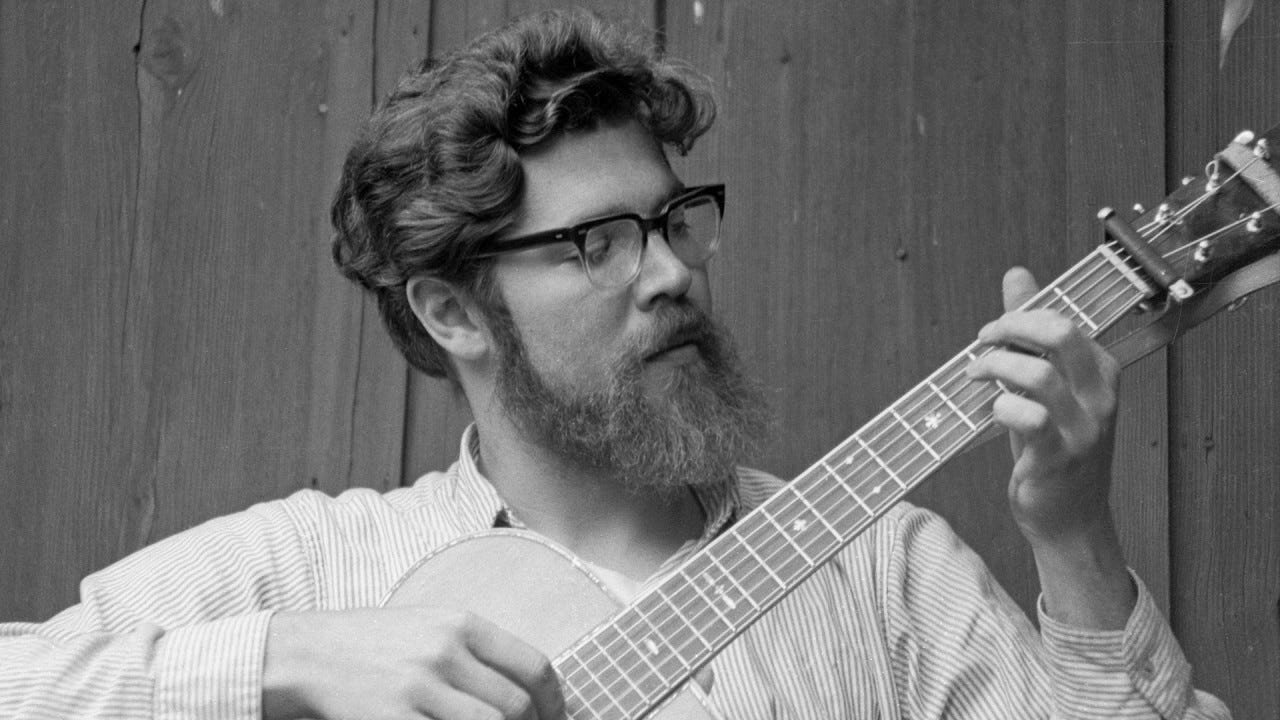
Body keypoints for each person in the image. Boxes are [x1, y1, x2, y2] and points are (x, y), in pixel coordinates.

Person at [0, 9, 1230, 720]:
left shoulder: (882, 572)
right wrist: (285, 660)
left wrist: (1071, 533)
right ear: (453, 310)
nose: (668, 272)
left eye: (673, 219)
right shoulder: (320, 567)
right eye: (595, 243)